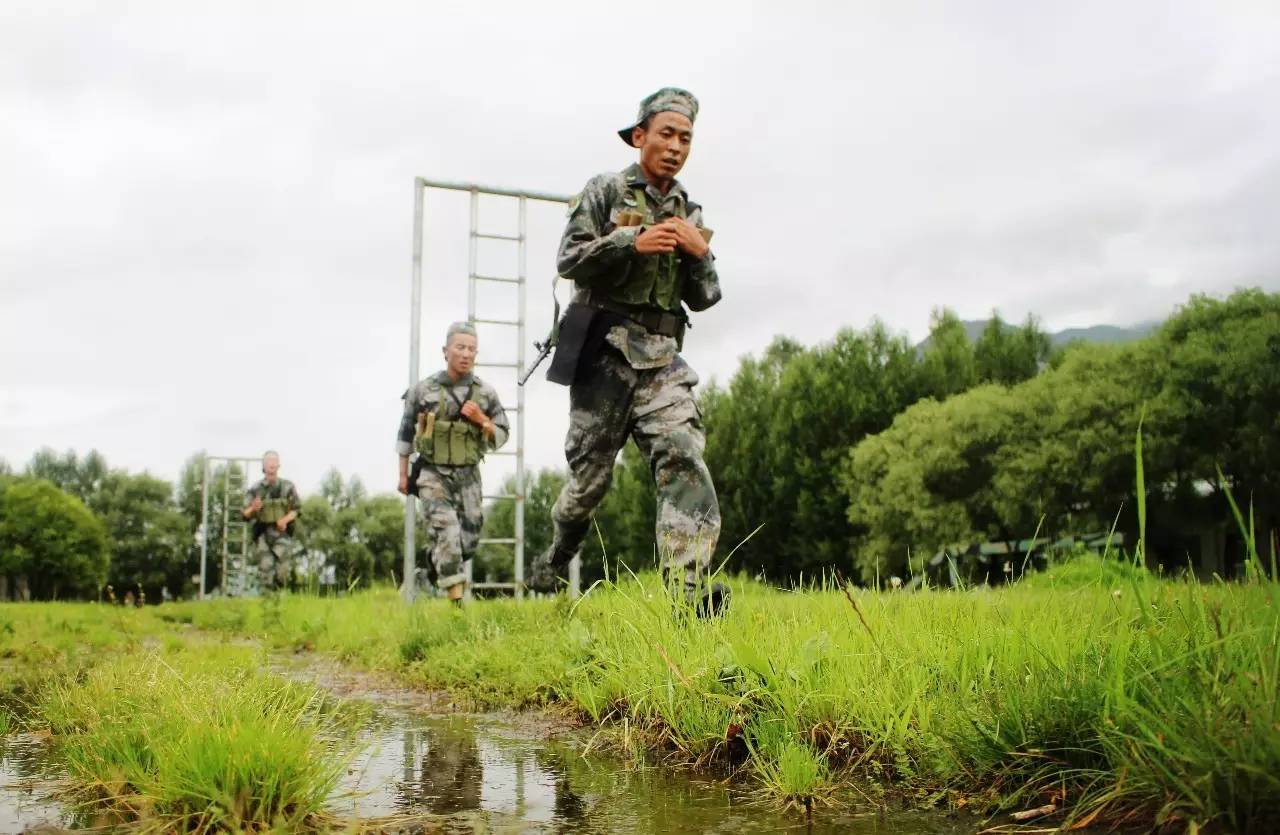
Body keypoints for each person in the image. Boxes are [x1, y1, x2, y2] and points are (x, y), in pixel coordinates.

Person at [528, 87, 728, 614]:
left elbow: (705, 298)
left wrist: (701, 253)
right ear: (640, 136)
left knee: (683, 455)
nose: (676, 146)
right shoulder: (605, 190)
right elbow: (569, 259)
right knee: (589, 484)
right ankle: (559, 549)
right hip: (603, 358)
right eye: (666, 133)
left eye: (686, 137)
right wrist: (629, 242)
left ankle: (687, 599)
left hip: (661, 359)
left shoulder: (690, 209)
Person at [397, 321, 510, 604]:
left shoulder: (485, 393)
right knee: (447, 532)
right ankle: (457, 608)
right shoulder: (422, 391)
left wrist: (481, 420)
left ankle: (428, 569)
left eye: (472, 349)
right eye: (460, 347)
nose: (466, 354)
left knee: (467, 541)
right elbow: (405, 434)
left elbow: (502, 433)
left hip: (469, 475)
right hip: (433, 474)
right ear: (445, 351)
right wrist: (402, 476)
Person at [243, 450, 303, 592]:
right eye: (268, 461)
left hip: (282, 535)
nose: (272, 464)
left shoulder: (288, 486)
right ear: (263, 465)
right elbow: (244, 515)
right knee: (266, 570)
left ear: (278, 464)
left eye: (274, 461)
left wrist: (285, 520)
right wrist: (253, 508)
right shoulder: (255, 489)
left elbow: (297, 509)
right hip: (263, 535)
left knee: (282, 573)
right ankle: (268, 604)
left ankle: (279, 602)